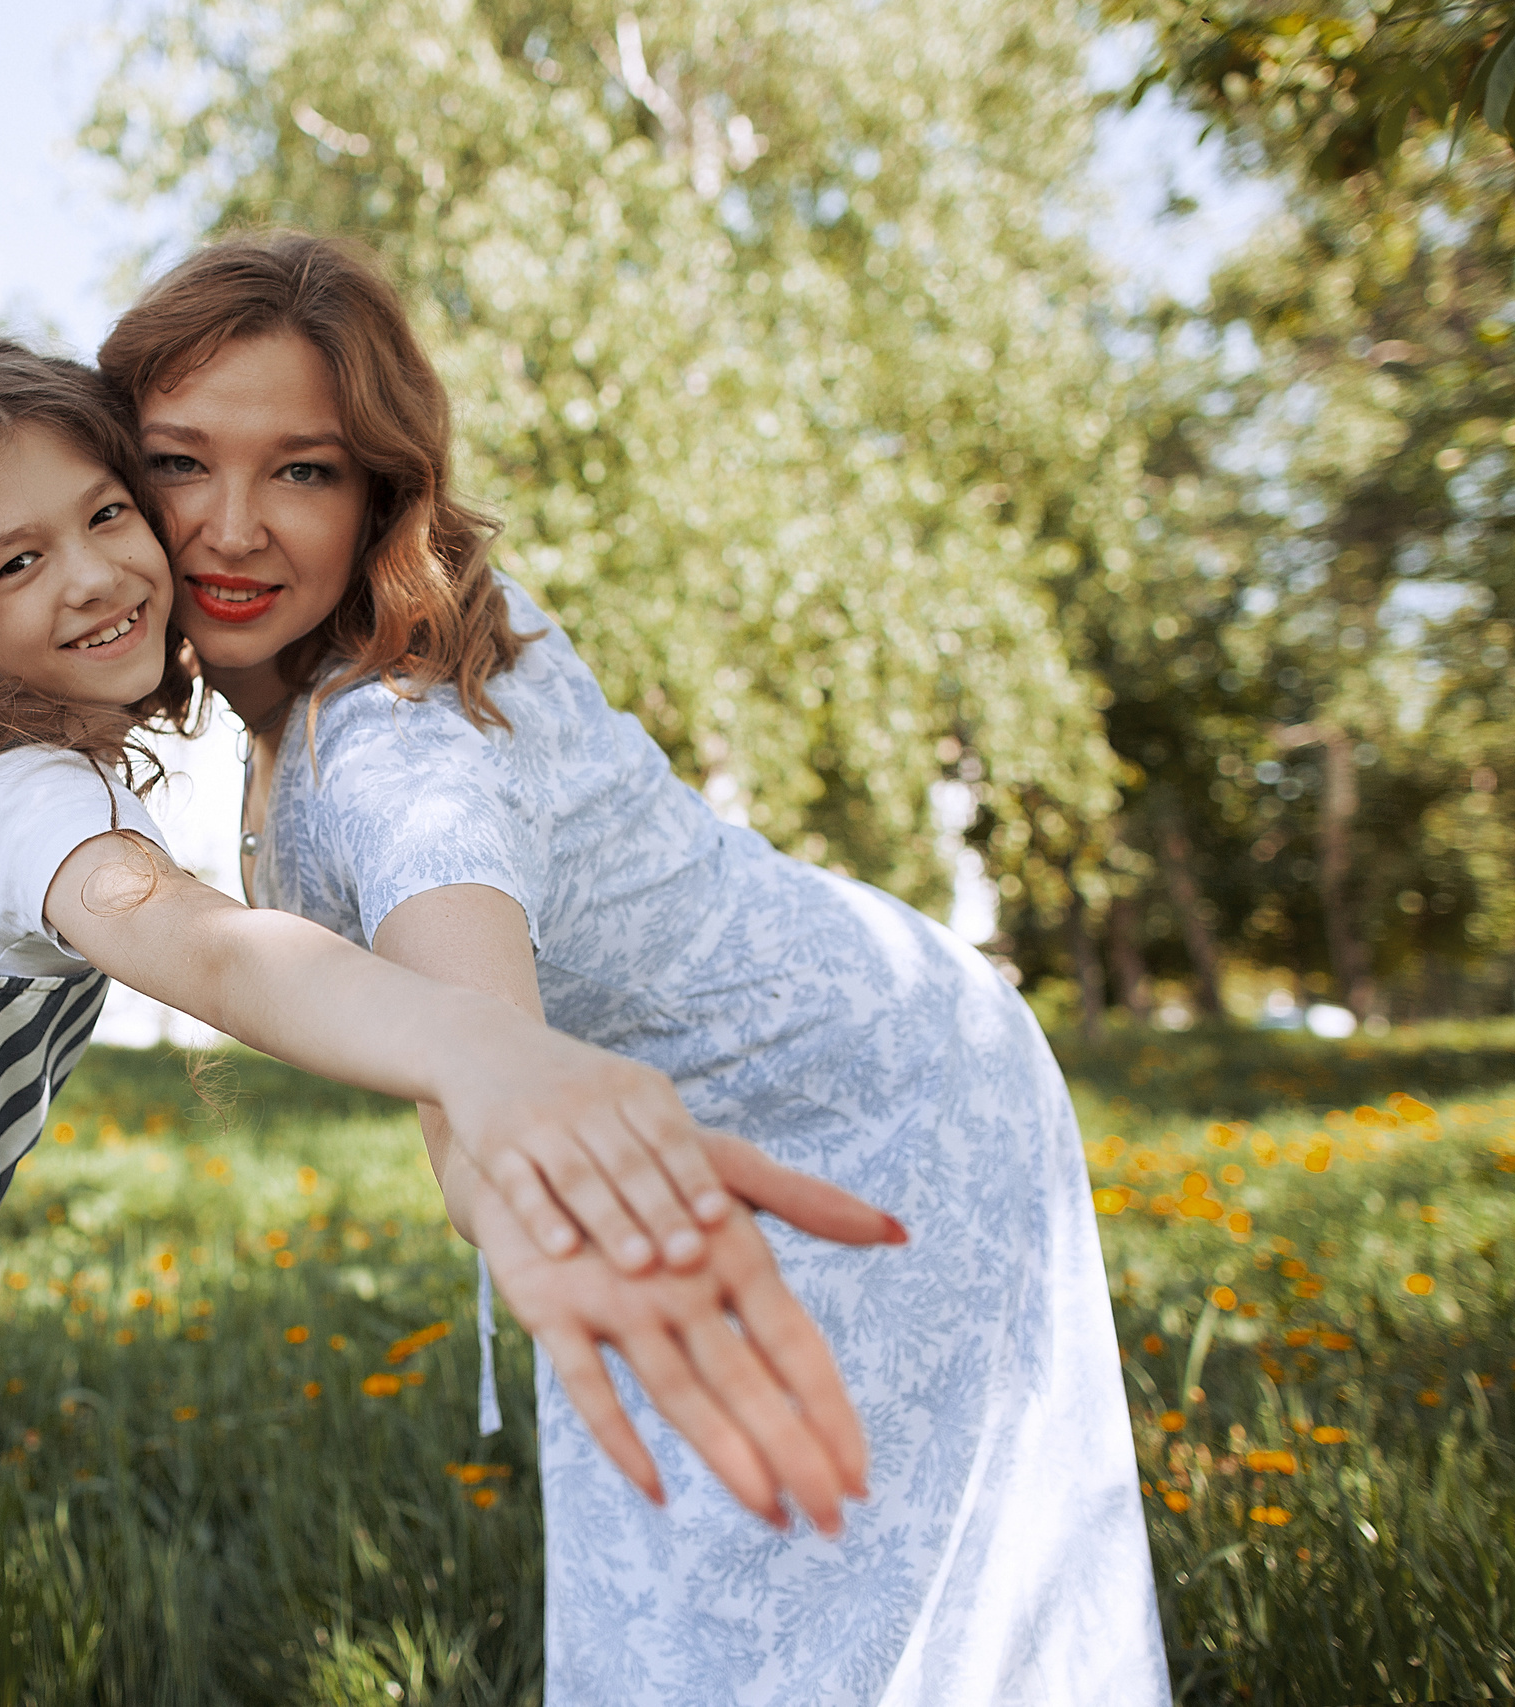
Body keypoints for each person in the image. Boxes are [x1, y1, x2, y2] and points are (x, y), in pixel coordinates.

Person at [0, 340, 896, 1706]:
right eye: (15, 560)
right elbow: (218, 952)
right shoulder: (18, 802)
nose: (88, 577)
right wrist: (488, 1046)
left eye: (107, 517)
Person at [100, 234, 1169, 1705]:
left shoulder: (394, 743)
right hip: (730, 1102)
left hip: (883, 1093)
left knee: (822, 1610)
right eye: (178, 464)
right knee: (729, 1591)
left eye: (304, 471)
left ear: (379, 495)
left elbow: (471, 1024)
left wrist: (508, 1180)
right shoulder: (356, 658)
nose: (232, 529)